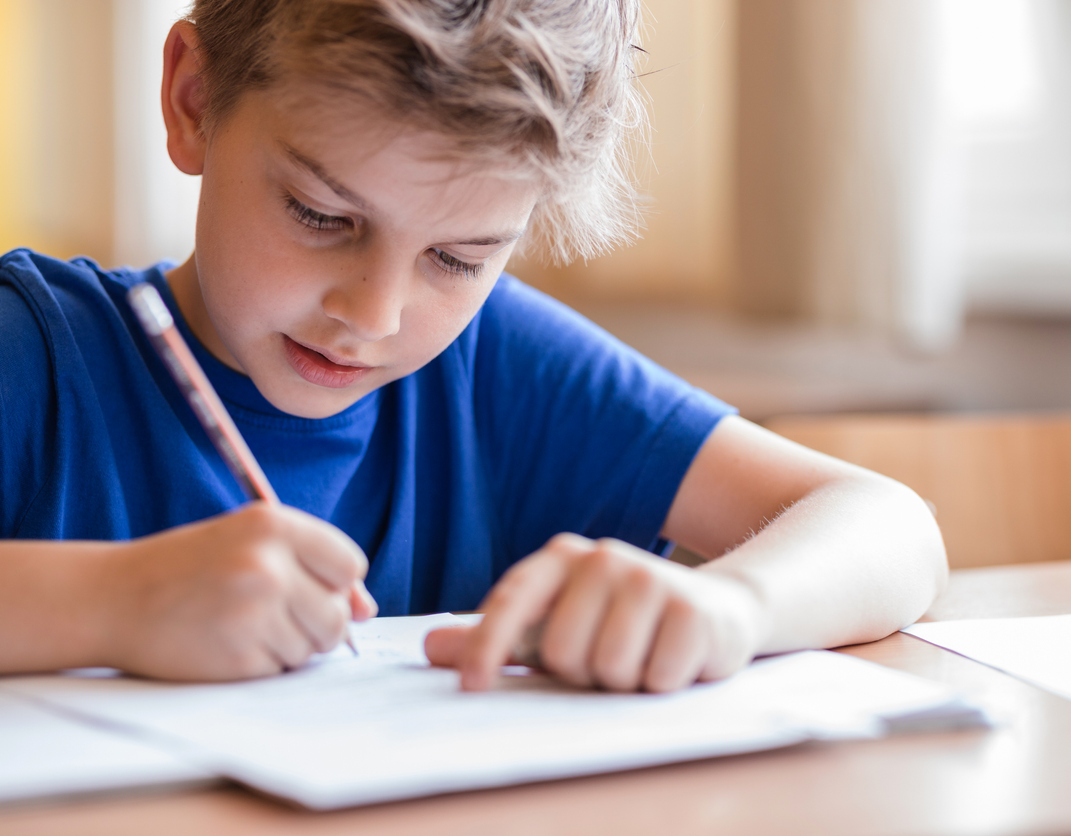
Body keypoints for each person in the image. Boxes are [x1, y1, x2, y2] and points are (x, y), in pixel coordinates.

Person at [0, 0, 946, 692]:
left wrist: (732, 608)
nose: (373, 314)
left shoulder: (491, 367)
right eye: (321, 215)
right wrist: (112, 600)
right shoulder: (33, 350)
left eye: (458, 257)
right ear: (194, 97)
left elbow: (889, 527)